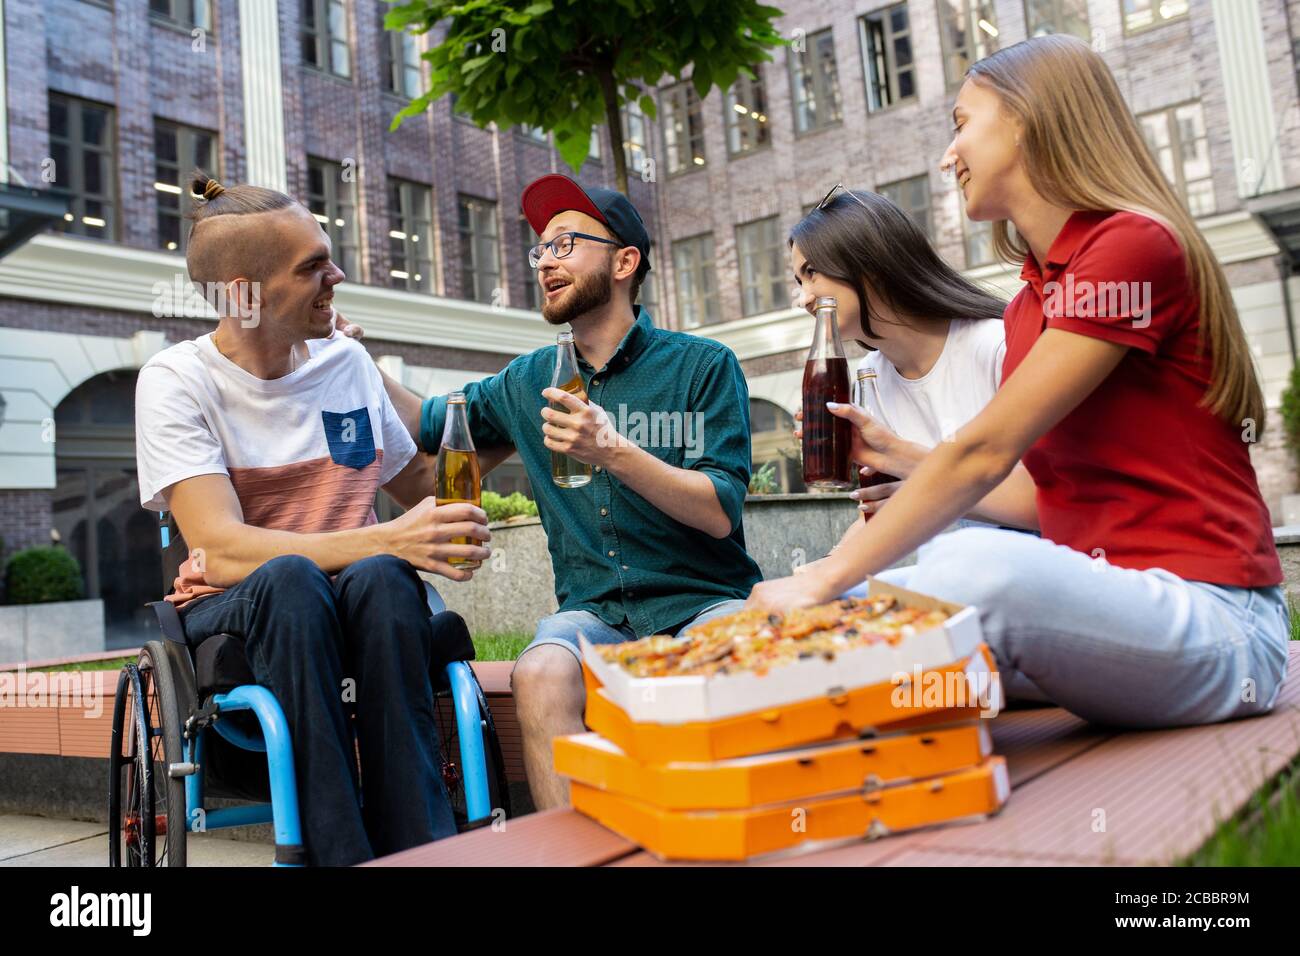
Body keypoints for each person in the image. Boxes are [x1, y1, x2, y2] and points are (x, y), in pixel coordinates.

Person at [749, 35, 1290, 729]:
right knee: (848, 613)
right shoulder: (1031, 304)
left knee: (963, 568)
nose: (950, 156)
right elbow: (1040, 495)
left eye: (961, 124)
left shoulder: (1130, 247)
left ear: (1027, 119)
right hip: (1112, 607)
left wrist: (821, 577)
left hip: (1222, 622)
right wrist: (886, 481)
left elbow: (982, 454)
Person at [369, 175, 763, 808]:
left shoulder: (702, 366)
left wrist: (610, 448)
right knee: (541, 670)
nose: (546, 260)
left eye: (566, 243)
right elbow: (427, 424)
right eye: (541, 249)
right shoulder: (527, 380)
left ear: (625, 261)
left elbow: (719, 512)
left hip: (705, 604)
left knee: (736, 653)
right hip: (594, 615)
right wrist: (351, 356)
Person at [134, 174, 492, 865]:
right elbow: (221, 547)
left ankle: (420, 850)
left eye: (328, 256)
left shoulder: (346, 363)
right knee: (299, 578)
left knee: (387, 577)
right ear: (243, 293)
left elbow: (425, 483)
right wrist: (392, 535)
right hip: (237, 602)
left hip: (358, 593)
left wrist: (503, 434)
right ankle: (337, 854)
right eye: (313, 268)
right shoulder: (177, 380)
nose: (339, 275)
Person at [788, 186, 1035, 527]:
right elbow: (881, 510)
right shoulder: (869, 375)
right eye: (799, 281)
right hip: (936, 570)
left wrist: (907, 466)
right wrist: (820, 571)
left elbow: (1045, 503)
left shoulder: (996, 345)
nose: (804, 299)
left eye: (811, 272)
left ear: (868, 262)